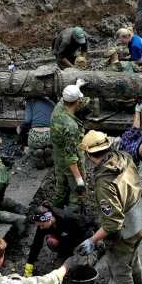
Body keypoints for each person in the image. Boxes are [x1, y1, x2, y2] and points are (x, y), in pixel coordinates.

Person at [77, 131, 142, 284]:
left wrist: (92, 240)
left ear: (90, 154)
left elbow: (113, 223)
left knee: (120, 269)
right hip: (138, 218)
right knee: (134, 262)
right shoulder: (123, 158)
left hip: (124, 231)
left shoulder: (104, 181)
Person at [23, 204, 96, 277]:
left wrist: (92, 240)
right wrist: (29, 264)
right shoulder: (43, 225)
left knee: (78, 268)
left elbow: (88, 224)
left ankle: (97, 250)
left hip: (80, 240)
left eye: (42, 225)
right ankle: (65, 253)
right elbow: (37, 244)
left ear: (49, 219)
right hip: (65, 242)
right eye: (39, 226)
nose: (41, 228)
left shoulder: (68, 218)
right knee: (61, 269)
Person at [50, 82, 87, 212]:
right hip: (70, 164)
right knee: (76, 195)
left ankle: (53, 212)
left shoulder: (58, 108)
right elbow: (71, 157)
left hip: (58, 158)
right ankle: (71, 218)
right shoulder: (71, 127)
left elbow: (65, 98)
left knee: (60, 189)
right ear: (77, 101)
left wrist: (77, 86)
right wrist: (79, 180)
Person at [19, 96, 55, 170]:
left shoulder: (30, 102)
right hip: (49, 135)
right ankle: (48, 150)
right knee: (49, 143)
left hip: (35, 136)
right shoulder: (51, 103)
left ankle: (36, 151)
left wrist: (21, 127)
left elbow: (27, 120)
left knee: (20, 129)